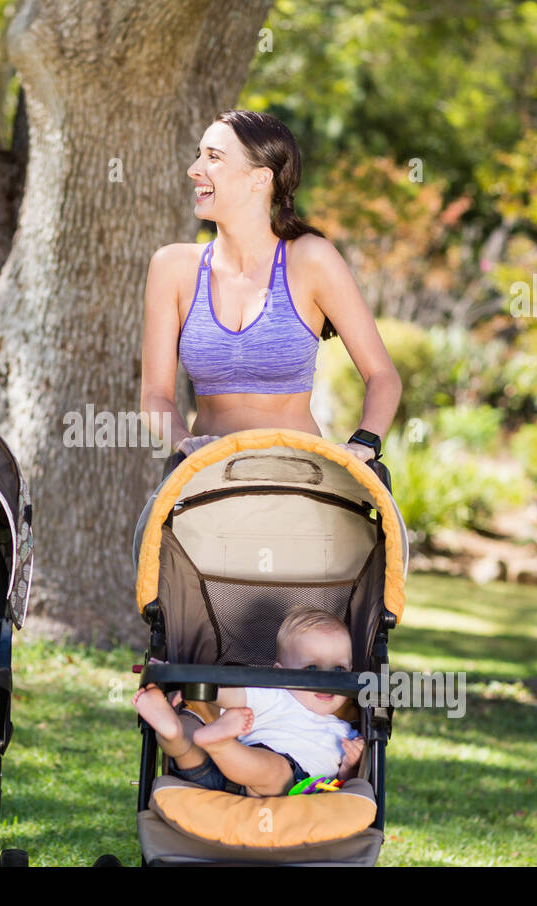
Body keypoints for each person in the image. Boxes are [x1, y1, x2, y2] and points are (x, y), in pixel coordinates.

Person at [134, 111, 402, 571]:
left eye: (213, 158)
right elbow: (155, 397)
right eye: (198, 155)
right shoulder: (173, 267)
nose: (194, 169)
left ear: (260, 178)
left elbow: (383, 377)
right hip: (209, 488)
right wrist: (182, 444)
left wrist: (363, 443)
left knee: (293, 633)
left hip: (300, 488)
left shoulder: (311, 259)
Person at [132, 606, 365, 797]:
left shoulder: (349, 733)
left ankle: (174, 733)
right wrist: (190, 685)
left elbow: (337, 786)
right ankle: (189, 734)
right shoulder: (279, 696)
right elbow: (230, 694)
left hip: (221, 780)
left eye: (338, 669)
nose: (327, 679)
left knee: (188, 754)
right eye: (311, 668)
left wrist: (349, 766)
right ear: (280, 674)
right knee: (276, 771)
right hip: (264, 774)